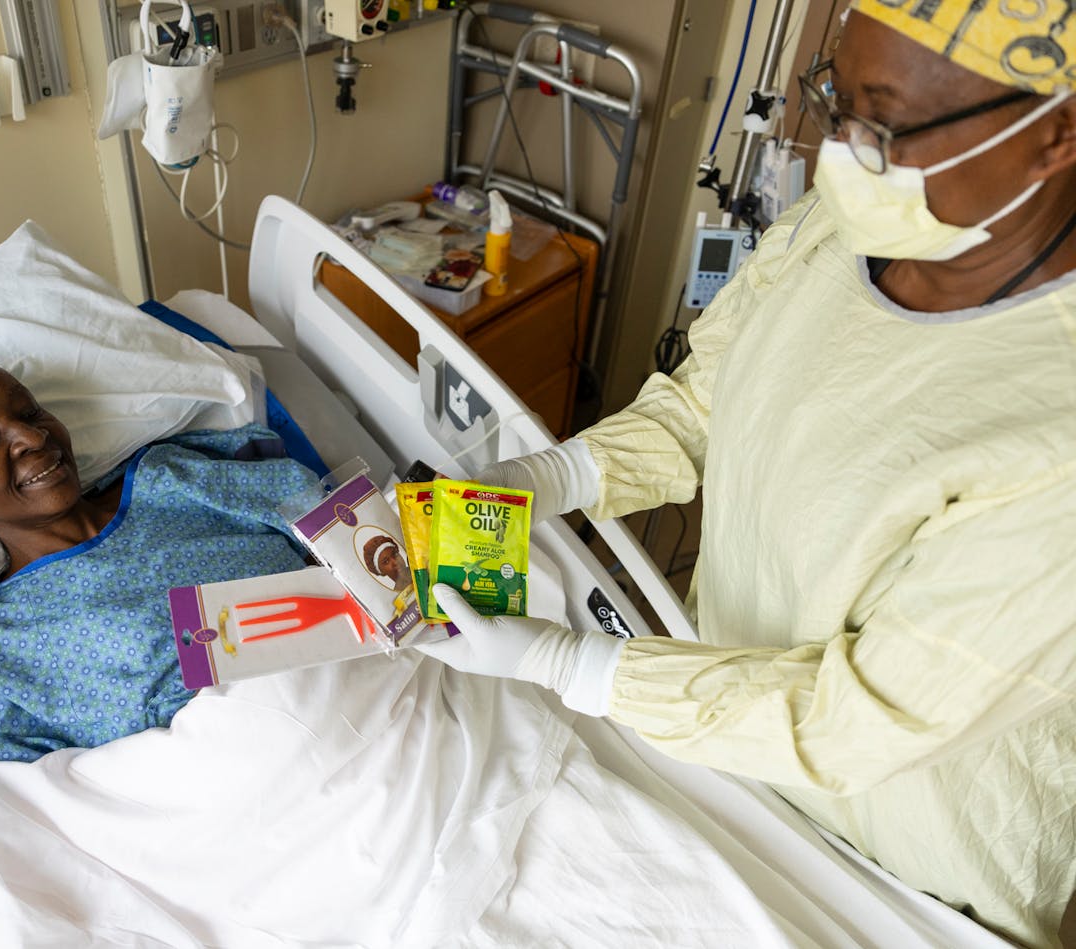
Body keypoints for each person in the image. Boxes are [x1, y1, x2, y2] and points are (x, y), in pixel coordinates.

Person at [418, 3, 1076, 946]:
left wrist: (567, 663)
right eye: (834, 101)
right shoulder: (840, 225)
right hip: (728, 742)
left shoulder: (1057, 438)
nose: (839, 154)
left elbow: (861, 720)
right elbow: (705, 404)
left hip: (906, 860)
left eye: (881, 125)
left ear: (1056, 132)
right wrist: (554, 477)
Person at [0, 352, 321, 807]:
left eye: (29, 413)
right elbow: (23, 790)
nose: (32, 436)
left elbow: (354, 536)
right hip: (251, 786)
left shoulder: (176, 478)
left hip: (359, 673)